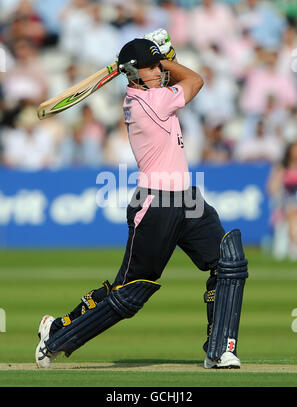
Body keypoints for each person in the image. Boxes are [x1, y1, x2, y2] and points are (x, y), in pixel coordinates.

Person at [35, 29, 248, 369]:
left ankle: (220, 349)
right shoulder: (148, 101)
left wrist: (154, 58)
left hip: (186, 197)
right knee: (129, 293)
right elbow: (196, 80)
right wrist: (166, 57)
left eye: (158, 66)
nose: (160, 71)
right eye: (152, 67)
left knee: (228, 262)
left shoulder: (151, 94)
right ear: (134, 74)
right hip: (156, 204)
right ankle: (57, 335)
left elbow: (181, 80)